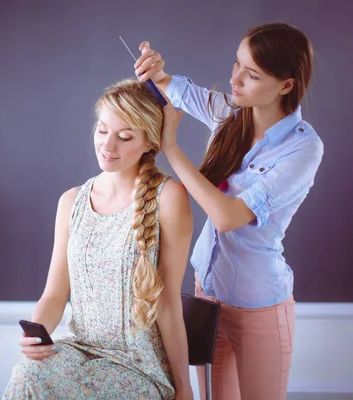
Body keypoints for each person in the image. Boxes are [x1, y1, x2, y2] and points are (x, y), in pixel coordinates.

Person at [134, 22, 324, 400]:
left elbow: (227, 216)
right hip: (209, 296)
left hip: (260, 308)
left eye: (251, 74)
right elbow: (178, 89)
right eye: (237, 64)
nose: (235, 79)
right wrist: (154, 72)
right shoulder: (231, 115)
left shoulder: (303, 150)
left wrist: (171, 148)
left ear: (286, 85)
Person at [2, 79, 194, 399]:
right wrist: (37, 334)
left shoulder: (169, 198)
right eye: (103, 130)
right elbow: (54, 294)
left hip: (137, 365)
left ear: (149, 142)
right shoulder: (71, 202)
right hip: (77, 350)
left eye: (124, 137)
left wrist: (184, 388)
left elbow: (168, 302)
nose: (108, 146)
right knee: (27, 377)